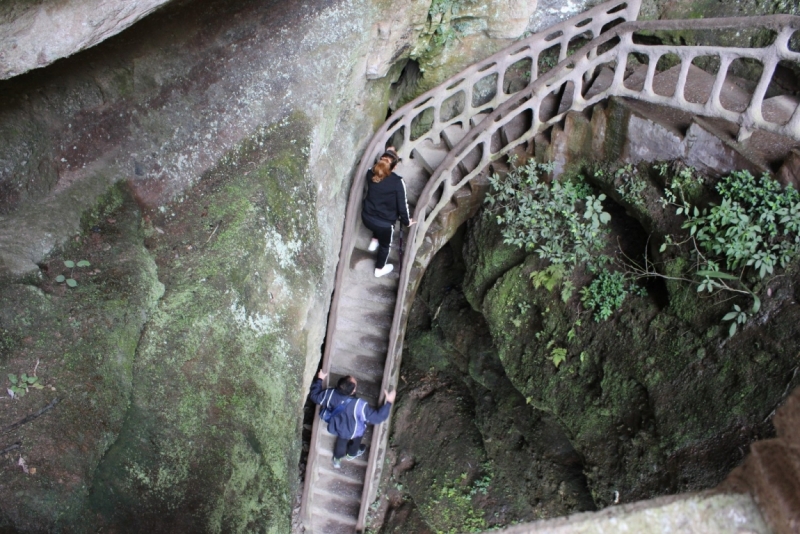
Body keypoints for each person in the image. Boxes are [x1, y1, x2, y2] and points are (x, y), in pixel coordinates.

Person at [309, 370, 396, 468]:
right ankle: (351, 453)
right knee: (356, 441)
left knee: (341, 440)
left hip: (338, 426)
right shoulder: (359, 405)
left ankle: (337, 459)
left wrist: (320, 379)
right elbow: (378, 418)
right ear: (353, 391)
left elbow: (314, 396)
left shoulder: (330, 394)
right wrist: (388, 402)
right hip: (355, 430)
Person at [361, 146, 416, 277]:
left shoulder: (370, 173)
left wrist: (389, 152)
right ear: (395, 167)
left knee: (377, 213)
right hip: (384, 225)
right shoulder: (397, 182)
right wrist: (407, 221)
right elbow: (402, 206)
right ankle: (379, 269)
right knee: (385, 246)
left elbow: (381, 166)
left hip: (366, 218)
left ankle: (374, 242)